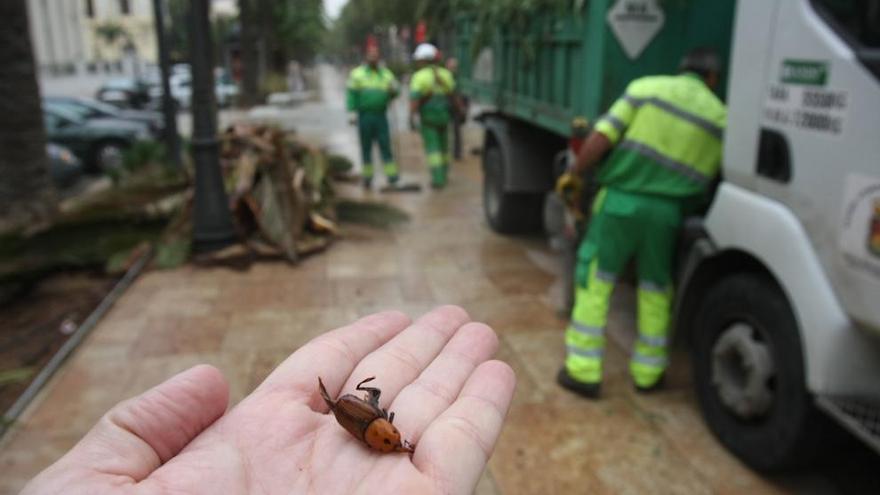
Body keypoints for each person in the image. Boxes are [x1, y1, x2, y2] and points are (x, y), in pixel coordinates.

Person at [21, 306, 516, 494]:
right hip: (356, 416)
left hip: (356, 417)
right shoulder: (370, 426)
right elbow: (371, 422)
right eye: (391, 436)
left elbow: (372, 424)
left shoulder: (371, 430)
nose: (392, 435)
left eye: (390, 437)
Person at [555, 48, 727, 398]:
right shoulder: (721, 117)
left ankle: (583, 371)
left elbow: (602, 138)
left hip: (620, 200)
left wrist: (575, 172)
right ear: (713, 79)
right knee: (655, 287)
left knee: (597, 279)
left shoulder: (647, 88)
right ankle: (649, 374)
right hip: (668, 214)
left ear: (681, 68)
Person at [347, 45, 400, 189]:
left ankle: (392, 176)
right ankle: (368, 177)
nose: (373, 58)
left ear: (379, 58)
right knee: (366, 147)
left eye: (375, 55)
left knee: (385, 145)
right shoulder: (357, 74)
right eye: (370, 55)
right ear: (366, 57)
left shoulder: (386, 74)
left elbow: (396, 92)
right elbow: (351, 94)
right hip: (364, 116)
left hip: (381, 116)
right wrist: (351, 112)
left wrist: (394, 89)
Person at [409, 43, 456, 189]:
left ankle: (438, 179)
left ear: (423, 60)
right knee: (444, 148)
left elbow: (415, 101)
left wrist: (411, 117)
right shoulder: (446, 74)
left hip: (428, 118)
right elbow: (453, 95)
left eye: (418, 60)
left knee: (433, 149)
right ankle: (445, 174)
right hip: (444, 116)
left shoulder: (418, 77)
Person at [445, 57, 469, 161]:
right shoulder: (444, 77)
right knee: (445, 130)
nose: (453, 69)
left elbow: (465, 95)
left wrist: (464, 109)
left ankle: (457, 153)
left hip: (457, 109)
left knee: (457, 131)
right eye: (451, 67)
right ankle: (447, 152)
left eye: (454, 67)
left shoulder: (461, 79)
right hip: (446, 107)